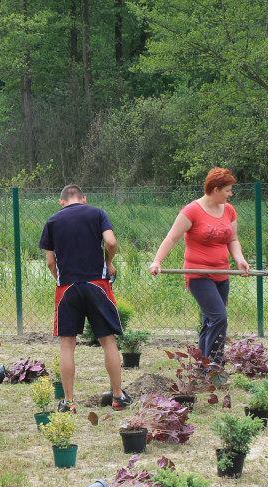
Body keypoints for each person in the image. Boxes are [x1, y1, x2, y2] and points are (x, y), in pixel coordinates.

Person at [39, 184, 131, 413]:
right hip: (97, 285)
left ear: (61, 202)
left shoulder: (52, 221)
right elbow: (110, 242)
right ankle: (118, 396)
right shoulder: (97, 213)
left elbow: (50, 262)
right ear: (84, 199)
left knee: (67, 345)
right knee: (107, 340)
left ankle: (69, 402)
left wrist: (59, 278)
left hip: (66, 288)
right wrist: (108, 263)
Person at [149, 167, 250, 366]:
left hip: (222, 273)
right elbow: (172, 238)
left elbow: (233, 239)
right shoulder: (192, 211)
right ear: (215, 189)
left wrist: (239, 258)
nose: (231, 194)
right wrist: (157, 261)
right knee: (219, 317)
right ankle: (213, 365)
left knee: (210, 320)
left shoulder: (229, 210)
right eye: (228, 190)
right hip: (198, 274)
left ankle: (202, 366)